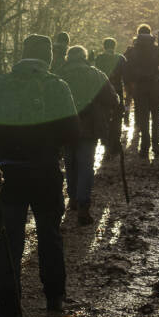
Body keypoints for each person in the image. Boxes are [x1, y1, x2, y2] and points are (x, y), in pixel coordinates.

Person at [0, 34, 79, 317]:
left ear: (22, 54)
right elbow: (73, 132)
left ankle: (8, 308)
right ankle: (55, 298)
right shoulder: (57, 87)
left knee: (10, 240)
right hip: (46, 172)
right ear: (47, 57)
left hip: (9, 174)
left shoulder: (0, 84)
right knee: (49, 234)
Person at [57, 45, 119, 223]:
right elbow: (112, 98)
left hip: (66, 128)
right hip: (89, 128)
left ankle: (73, 198)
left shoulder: (60, 74)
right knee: (85, 166)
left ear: (69, 56)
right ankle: (83, 205)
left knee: (70, 165)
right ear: (84, 57)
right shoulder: (95, 74)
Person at [124, 24, 159, 157]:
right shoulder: (157, 49)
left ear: (138, 34)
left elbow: (126, 71)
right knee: (156, 116)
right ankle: (156, 145)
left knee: (143, 117)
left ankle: (144, 147)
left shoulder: (132, 51)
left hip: (139, 88)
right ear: (150, 33)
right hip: (155, 87)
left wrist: (129, 87)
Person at [93, 37, 126, 157]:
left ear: (104, 46)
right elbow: (126, 76)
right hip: (117, 91)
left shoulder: (99, 58)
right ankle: (115, 144)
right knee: (117, 118)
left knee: (104, 117)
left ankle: (106, 144)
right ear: (114, 46)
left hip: (103, 91)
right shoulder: (121, 58)